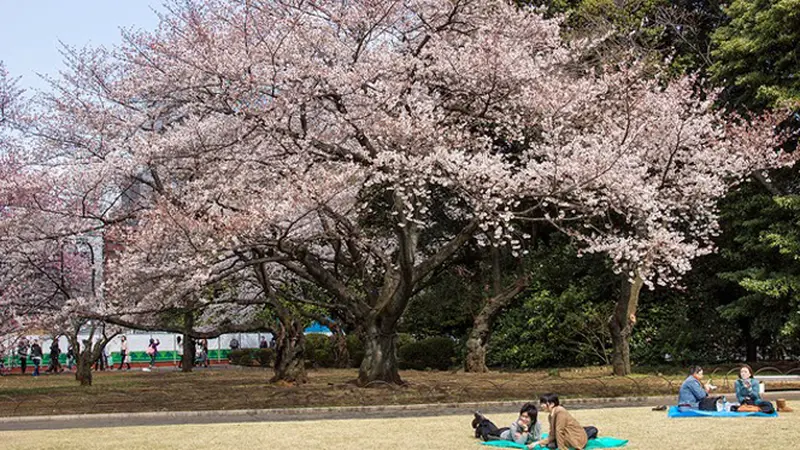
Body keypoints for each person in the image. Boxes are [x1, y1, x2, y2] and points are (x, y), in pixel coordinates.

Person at [472, 403, 542, 447]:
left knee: (493, 429)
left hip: (507, 431)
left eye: (526, 417)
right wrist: (525, 430)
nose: (523, 419)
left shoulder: (537, 424)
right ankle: (480, 424)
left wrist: (524, 436)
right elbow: (520, 443)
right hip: (502, 435)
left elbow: (537, 438)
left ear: (532, 419)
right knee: (487, 435)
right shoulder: (515, 425)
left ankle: (482, 419)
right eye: (522, 416)